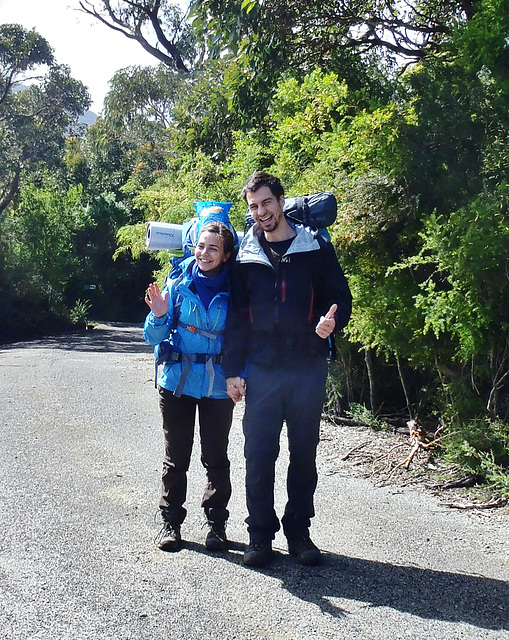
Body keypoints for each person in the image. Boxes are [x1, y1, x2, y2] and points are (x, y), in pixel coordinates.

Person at [223, 172, 352, 567]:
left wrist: (334, 321)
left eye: (266, 203)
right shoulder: (245, 254)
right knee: (258, 455)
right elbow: (236, 316)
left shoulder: (315, 247)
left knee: (304, 455)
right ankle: (260, 536)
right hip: (261, 369)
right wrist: (233, 369)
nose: (261, 212)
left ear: (280, 201)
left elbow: (340, 297)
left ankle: (299, 533)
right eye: (253, 207)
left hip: (307, 367)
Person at [144, 221, 235, 553]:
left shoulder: (237, 291)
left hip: (217, 385)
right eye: (200, 246)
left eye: (213, 248)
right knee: (176, 456)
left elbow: (244, 339)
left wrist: (243, 375)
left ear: (226, 255)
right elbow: (153, 336)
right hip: (176, 382)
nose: (204, 253)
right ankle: (170, 523)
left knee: (215, 457)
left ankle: (216, 525)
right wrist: (157, 316)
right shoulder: (178, 282)